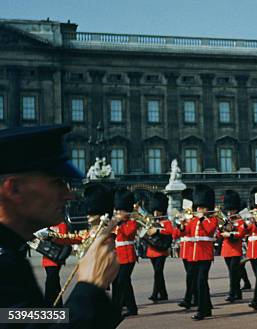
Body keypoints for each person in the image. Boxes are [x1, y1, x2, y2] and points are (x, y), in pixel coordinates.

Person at [0, 124, 121, 327]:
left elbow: (18, 317)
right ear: (15, 189)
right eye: (56, 182)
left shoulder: (9, 254)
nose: (69, 194)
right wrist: (90, 288)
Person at [184, 184, 218, 320]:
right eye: (198, 207)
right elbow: (184, 233)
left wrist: (201, 218)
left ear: (207, 208)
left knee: (201, 281)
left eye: (201, 207)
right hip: (193, 254)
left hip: (205, 254)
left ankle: (201, 310)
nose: (198, 209)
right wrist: (182, 225)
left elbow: (209, 230)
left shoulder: (212, 219)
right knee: (200, 282)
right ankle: (207, 307)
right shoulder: (193, 220)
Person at [111, 188, 139, 317]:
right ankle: (120, 305)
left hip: (128, 257)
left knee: (123, 281)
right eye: (117, 210)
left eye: (119, 210)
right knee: (119, 281)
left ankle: (130, 307)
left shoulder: (131, 223)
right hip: (117, 256)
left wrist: (118, 224)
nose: (117, 212)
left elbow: (127, 234)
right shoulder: (116, 223)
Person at [145, 191, 174, 302]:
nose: (156, 213)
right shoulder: (151, 221)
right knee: (158, 272)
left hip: (161, 250)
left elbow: (170, 231)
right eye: (155, 210)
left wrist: (157, 230)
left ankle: (155, 294)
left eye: (158, 210)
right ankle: (163, 294)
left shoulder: (166, 221)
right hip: (152, 249)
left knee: (158, 272)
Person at [220, 189, 246, 302]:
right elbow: (218, 234)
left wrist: (229, 234)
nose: (230, 212)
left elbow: (240, 233)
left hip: (236, 249)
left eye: (232, 210)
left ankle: (232, 293)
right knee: (233, 272)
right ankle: (238, 293)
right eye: (229, 210)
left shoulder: (240, 220)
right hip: (226, 250)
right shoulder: (225, 220)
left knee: (233, 272)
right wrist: (222, 229)